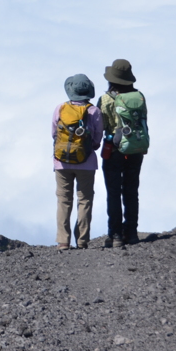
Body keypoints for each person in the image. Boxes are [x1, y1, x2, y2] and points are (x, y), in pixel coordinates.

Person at [51, 74, 103, 250]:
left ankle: (63, 241)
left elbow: (54, 134)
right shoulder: (93, 111)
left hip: (61, 162)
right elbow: (97, 139)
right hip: (86, 162)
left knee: (63, 200)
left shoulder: (60, 108)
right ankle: (82, 240)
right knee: (85, 200)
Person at [100, 58, 147, 248]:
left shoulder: (106, 99)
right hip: (135, 149)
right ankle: (132, 233)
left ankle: (116, 235)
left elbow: (101, 124)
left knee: (113, 191)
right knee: (131, 190)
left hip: (113, 149)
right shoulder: (139, 97)